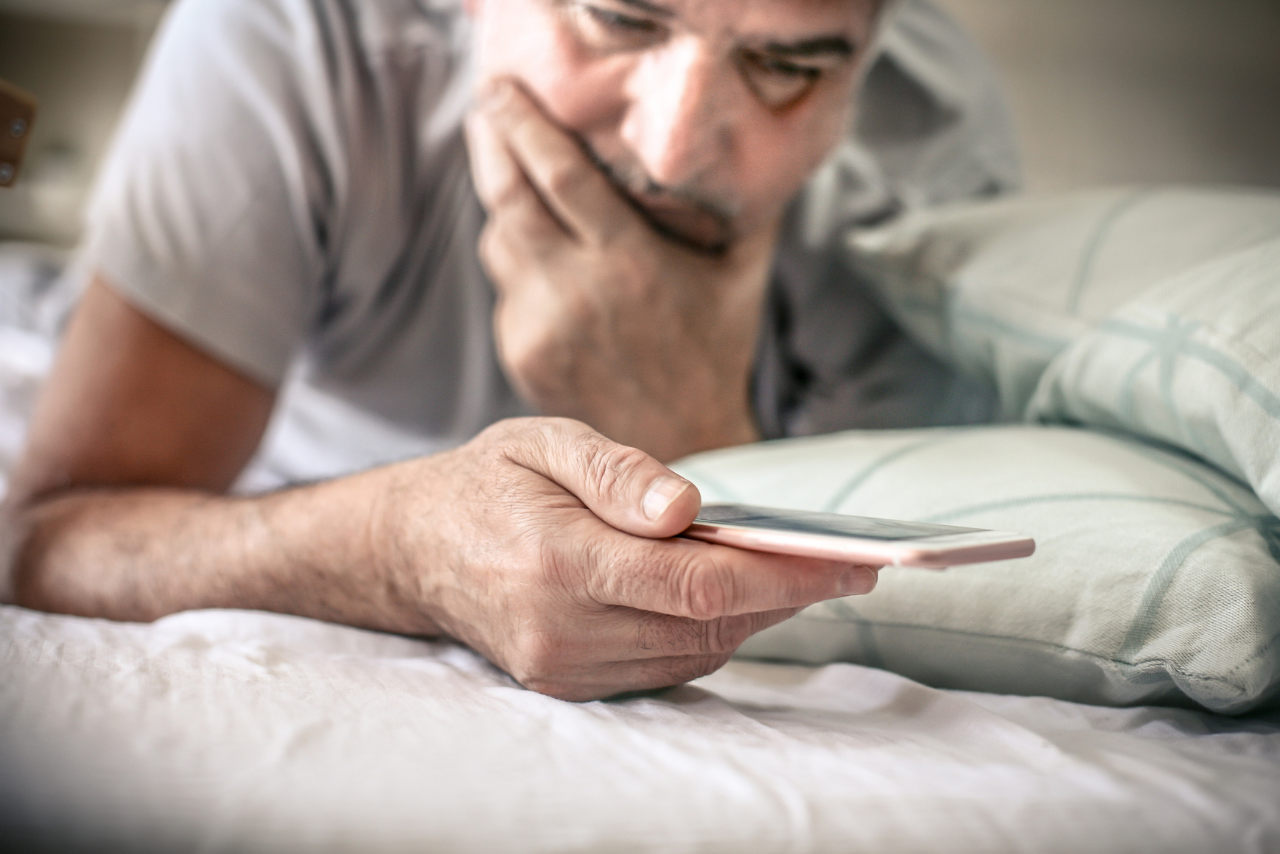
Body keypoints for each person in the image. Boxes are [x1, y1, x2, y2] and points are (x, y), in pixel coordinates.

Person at [0, 0, 1017, 700]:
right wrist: (398, 548)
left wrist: (690, 424)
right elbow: (51, 534)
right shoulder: (291, 35)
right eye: (617, 16)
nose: (671, 151)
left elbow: (914, 607)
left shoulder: (921, 142)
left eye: (786, 66)